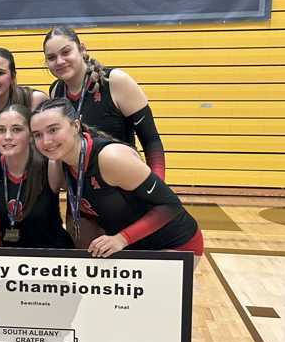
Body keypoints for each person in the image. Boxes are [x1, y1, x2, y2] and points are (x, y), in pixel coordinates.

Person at [31, 98, 202, 258]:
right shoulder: (61, 163)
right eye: (38, 135)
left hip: (175, 244)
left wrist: (122, 238)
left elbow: (170, 206)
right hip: (131, 247)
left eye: (53, 130)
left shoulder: (110, 158)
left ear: (75, 126)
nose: (46, 141)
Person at [44, 25, 165, 179]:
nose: (59, 61)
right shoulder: (56, 92)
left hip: (124, 189)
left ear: (82, 49)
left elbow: (151, 141)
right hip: (81, 195)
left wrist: (156, 189)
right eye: (51, 57)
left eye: (66, 52)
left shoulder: (115, 81)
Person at [0, 105, 73, 249]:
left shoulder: (49, 164)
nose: (7, 137)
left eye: (16, 129)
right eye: (1, 130)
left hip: (51, 259)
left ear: (31, 135)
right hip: (8, 260)